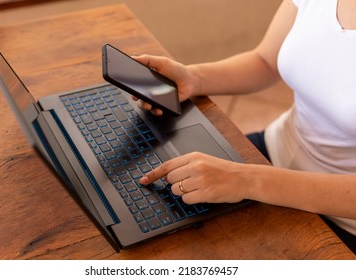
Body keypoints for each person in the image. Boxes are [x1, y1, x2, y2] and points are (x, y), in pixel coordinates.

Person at [133, 0, 356, 253]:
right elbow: (265, 61)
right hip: (270, 153)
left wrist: (246, 180)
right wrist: (193, 78)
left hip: (340, 218)